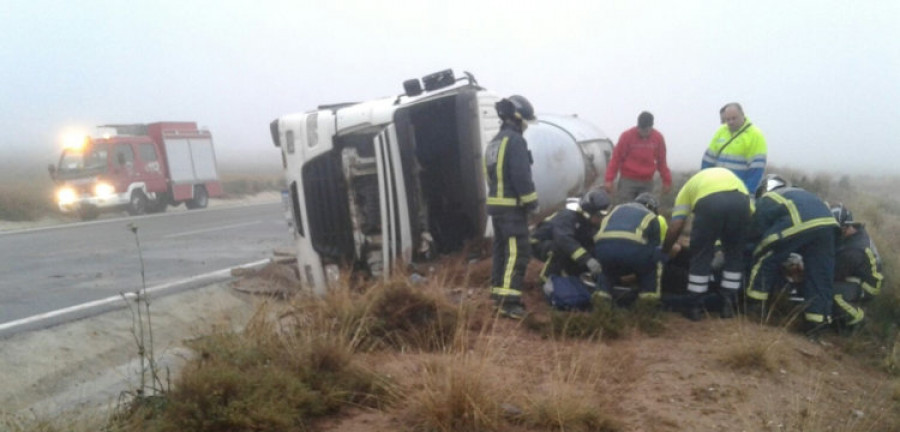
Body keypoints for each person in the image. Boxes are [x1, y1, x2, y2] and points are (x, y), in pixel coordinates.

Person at [746, 175, 839, 336]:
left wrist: (750, 248)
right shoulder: (801, 192)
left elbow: (756, 230)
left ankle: (755, 307)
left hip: (799, 223)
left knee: (765, 258)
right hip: (828, 226)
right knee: (820, 275)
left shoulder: (769, 198)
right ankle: (816, 325)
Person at [662, 167, 751, 321]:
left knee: (701, 253)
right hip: (741, 202)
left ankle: (695, 306)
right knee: (735, 255)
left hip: (710, 203)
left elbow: (677, 224)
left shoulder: (687, 189)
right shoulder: (735, 180)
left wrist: (665, 250)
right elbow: (752, 215)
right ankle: (727, 305)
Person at [484, 95, 539, 319]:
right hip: (511, 209)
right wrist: (531, 201)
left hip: (496, 207)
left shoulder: (495, 141)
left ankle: (498, 295)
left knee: (501, 251)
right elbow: (520, 175)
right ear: (518, 118)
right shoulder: (516, 141)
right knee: (518, 252)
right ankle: (509, 302)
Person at [593, 193, 668, 307]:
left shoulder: (616, 209)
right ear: (651, 207)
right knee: (656, 260)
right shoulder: (651, 216)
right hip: (632, 251)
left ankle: (601, 300)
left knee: (607, 270)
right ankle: (647, 302)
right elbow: (655, 246)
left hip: (602, 249)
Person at [530, 190, 610, 284]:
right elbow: (564, 240)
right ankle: (547, 280)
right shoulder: (568, 216)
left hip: (560, 243)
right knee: (562, 248)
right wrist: (587, 259)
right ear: (589, 212)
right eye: (599, 216)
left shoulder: (587, 222)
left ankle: (573, 278)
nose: (601, 219)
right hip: (538, 244)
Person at [831, 204, 883, 330]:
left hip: (868, 286)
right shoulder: (857, 234)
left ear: (846, 227)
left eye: (836, 230)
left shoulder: (854, 250)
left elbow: (834, 273)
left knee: (832, 292)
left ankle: (858, 320)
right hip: (862, 276)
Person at [605, 111, 672, 202]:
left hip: (647, 182)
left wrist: (667, 181)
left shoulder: (658, 138)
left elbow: (662, 162)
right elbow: (616, 159)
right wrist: (609, 179)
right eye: (641, 129)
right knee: (625, 208)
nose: (643, 133)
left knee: (645, 210)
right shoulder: (626, 136)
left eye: (646, 131)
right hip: (628, 181)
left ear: (651, 127)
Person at [701, 103, 767, 193]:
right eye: (727, 119)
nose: (731, 122)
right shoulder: (721, 131)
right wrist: (704, 184)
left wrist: (747, 194)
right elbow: (708, 160)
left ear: (742, 115)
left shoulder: (755, 135)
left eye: (734, 118)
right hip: (717, 188)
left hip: (738, 191)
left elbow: (756, 170)